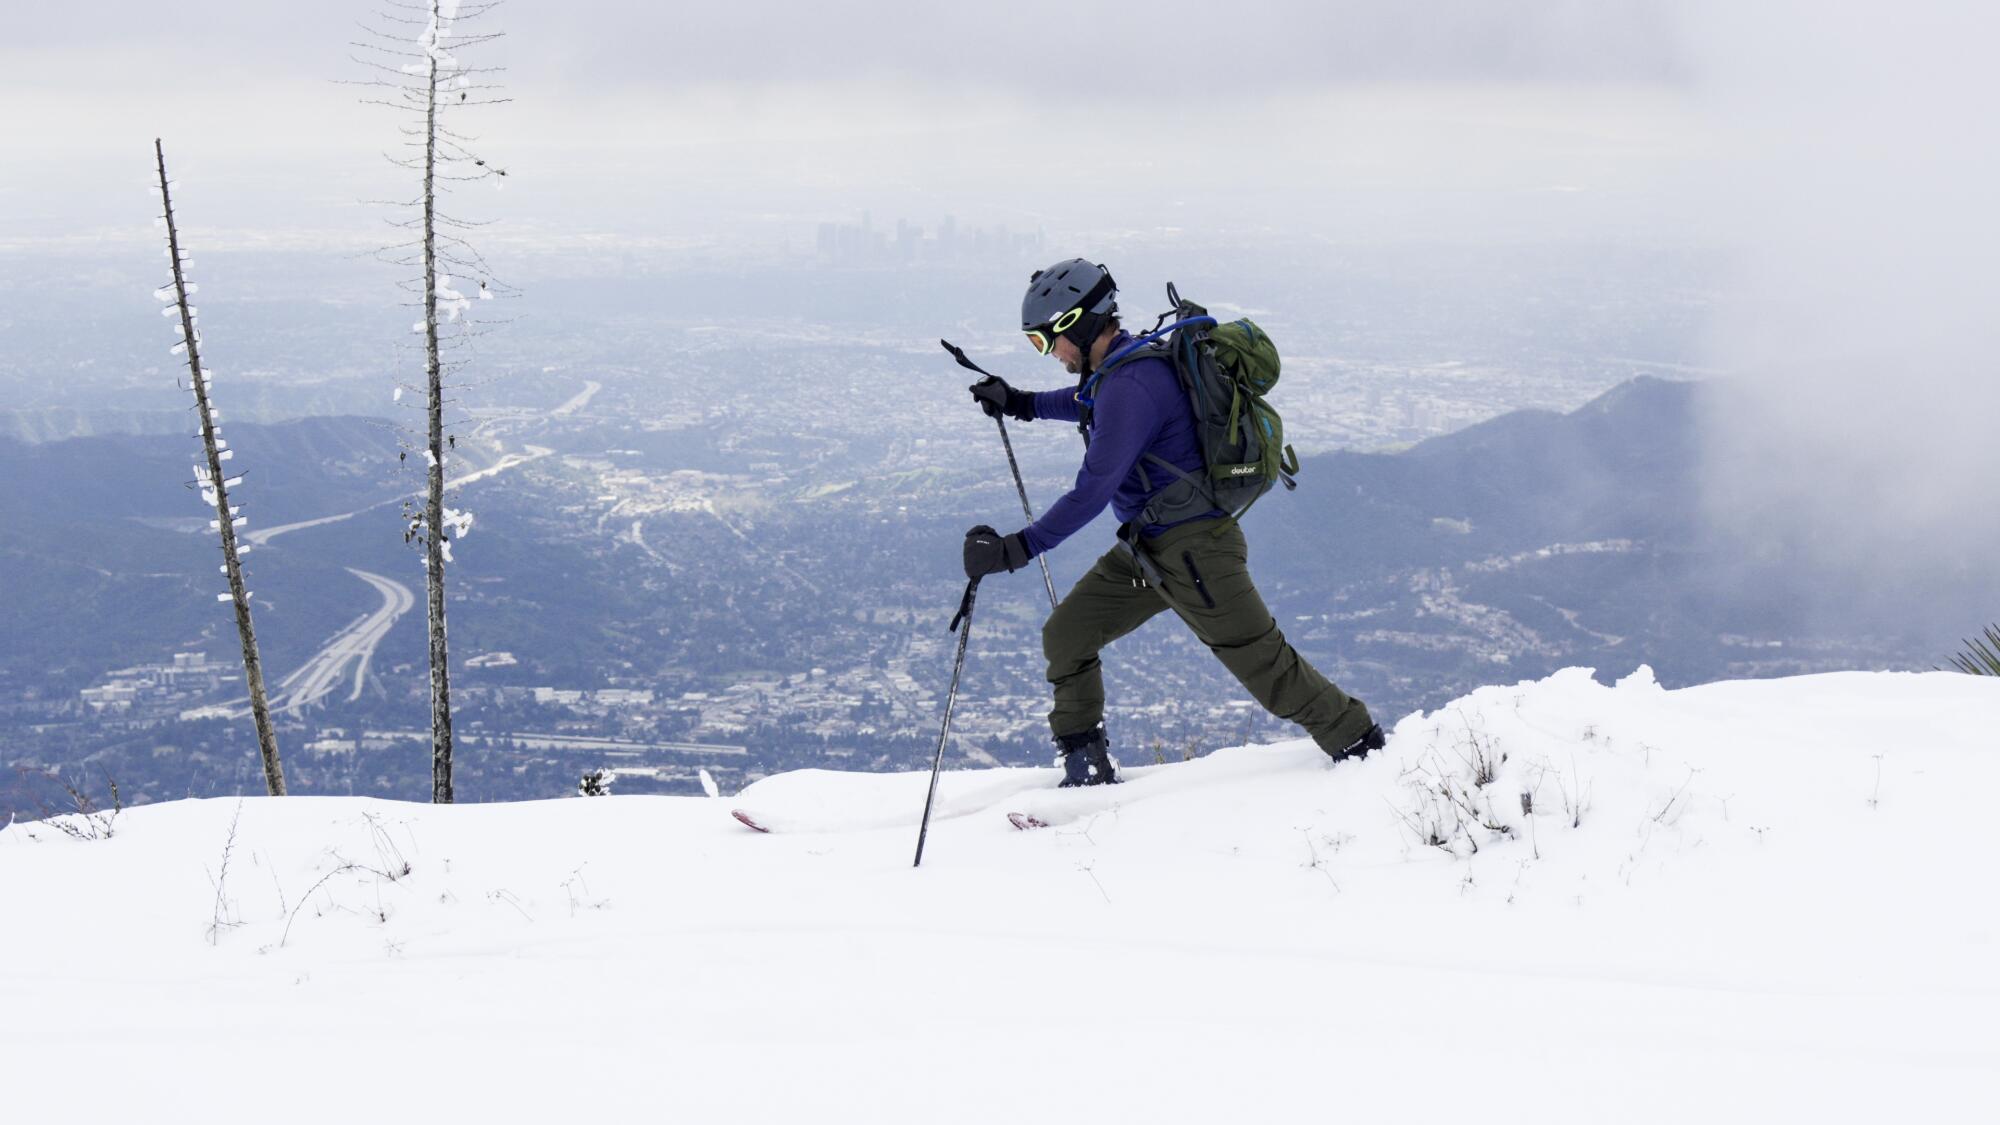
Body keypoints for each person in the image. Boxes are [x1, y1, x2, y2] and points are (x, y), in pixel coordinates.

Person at [962, 258, 1385, 787]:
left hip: (1195, 550)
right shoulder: (1123, 369)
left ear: (1078, 324)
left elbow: (1092, 490)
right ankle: (1086, 769)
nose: (1052, 355)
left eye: (1046, 342)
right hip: (1149, 549)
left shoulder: (1132, 383)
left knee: (1264, 665)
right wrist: (1022, 403)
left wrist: (1016, 549)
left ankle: (1364, 749)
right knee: (1066, 636)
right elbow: (1091, 403)